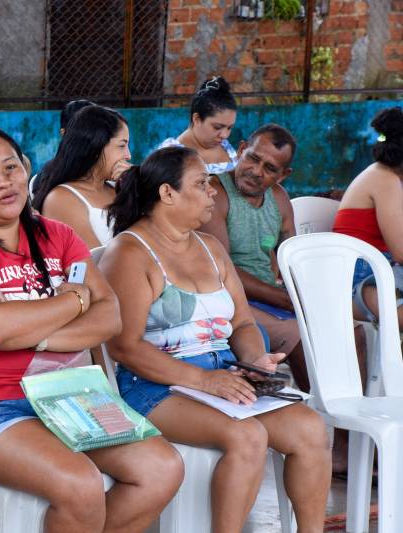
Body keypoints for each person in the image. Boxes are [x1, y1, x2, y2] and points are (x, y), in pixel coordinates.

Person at [0, 124, 183, 533]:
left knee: (162, 467)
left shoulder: (56, 235)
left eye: (11, 168)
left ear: (26, 170)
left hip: (70, 394)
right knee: (80, 483)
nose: (4, 182)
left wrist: (34, 336)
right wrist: (73, 300)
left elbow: (109, 316)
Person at [100, 146, 331, 533]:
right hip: (155, 386)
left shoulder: (211, 247)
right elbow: (124, 347)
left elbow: (242, 323)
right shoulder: (129, 252)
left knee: (311, 428)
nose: (213, 192)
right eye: (202, 183)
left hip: (223, 375)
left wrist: (255, 360)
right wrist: (205, 381)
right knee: (247, 436)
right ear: (167, 193)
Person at [197, 124, 309, 392]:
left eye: (270, 168)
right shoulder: (216, 194)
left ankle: (343, 431)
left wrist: (303, 294)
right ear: (242, 149)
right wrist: (286, 299)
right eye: (253, 158)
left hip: (270, 298)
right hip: (225, 298)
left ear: (284, 175)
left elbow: (293, 258)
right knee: (300, 333)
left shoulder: (279, 200)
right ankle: (312, 407)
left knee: (353, 332)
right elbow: (221, 272)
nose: (256, 171)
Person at [333, 106, 403, 327]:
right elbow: (401, 251)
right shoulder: (384, 179)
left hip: (378, 275)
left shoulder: (391, 178)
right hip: (357, 283)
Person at [33, 105, 131, 248]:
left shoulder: (117, 187)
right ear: (96, 146)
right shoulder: (61, 200)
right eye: (122, 146)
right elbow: (93, 262)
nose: (128, 155)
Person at [158, 76, 238, 175]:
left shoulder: (225, 146)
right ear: (196, 119)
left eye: (230, 128)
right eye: (217, 127)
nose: (225, 135)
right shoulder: (170, 155)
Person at [29, 99, 95, 195]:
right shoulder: (49, 177)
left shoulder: (106, 173)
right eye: (85, 132)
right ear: (64, 133)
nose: (94, 138)